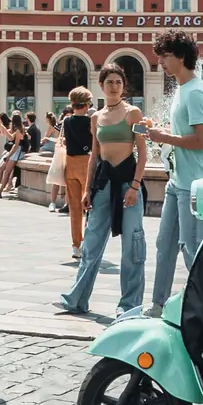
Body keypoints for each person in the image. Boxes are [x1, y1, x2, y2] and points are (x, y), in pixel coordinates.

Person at [54, 67, 150, 318]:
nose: (114, 86)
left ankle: (130, 305)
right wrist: (87, 189)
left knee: (132, 245)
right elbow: (94, 156)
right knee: (91, 244)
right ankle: (77, 299)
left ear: (123, 85)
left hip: (128, 183)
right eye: (109, 82)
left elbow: (142, 153)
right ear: (101, 85)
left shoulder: (134, 113)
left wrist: (135, 186)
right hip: (103, 184)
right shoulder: (96, 118)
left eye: (119, 82)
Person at [139, 32, 203, 314]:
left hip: (196, 185)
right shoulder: (183, 89)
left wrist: (165, 137)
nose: (159, 61)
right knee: (165, 244)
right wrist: (162, 131)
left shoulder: (196, 92)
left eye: (165, 56)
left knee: (193, 249)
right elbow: (189, 135)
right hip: (178, 182)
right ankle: (158, 304)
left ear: (181, 57)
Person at [60, 88, 94, 255]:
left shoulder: (66, 121)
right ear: (86, 104)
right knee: (89, 205)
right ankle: (88, 242)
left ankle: (76, 245)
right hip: (86, 163)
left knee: (74, 208)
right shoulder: (90, 121)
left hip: (70, 164)